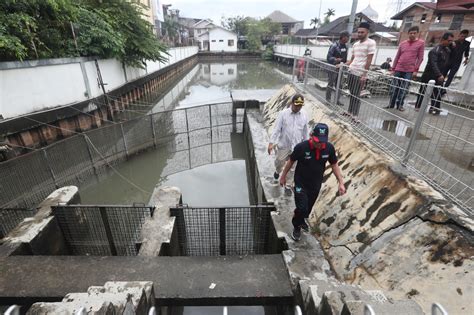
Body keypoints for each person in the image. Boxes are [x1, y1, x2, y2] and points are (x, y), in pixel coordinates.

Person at [279, 123, 346, 241]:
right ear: (311, 136)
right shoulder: (301, 148)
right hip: (301, 183)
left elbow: (334, 165)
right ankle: (297, 226)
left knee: (307, 209)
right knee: (302, 207)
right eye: (317, 141)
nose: (319, 144)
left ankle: (301, 218)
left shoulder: (329, 148)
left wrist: (341, 182)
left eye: (322, 142)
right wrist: (283, 176)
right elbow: (290, 161)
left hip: (315, 184)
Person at [268, 94, 309, 195]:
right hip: (284, 145)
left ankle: (288, 184)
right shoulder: (283, 114)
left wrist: (306, 146)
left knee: (293, 167)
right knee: (279, 162)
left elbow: (305, 132)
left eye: (300, 106)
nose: (298, 108)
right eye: (296, 105)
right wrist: (271, 143)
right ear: (292, 103)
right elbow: (277, 129)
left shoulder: (304, 115)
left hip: (296, 147)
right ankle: (277, 172)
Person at [386, 26, 425, 111]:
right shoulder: (403, 43)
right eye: (411, 33)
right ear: (408, 34)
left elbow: (420, 58)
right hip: (398, 68)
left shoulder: (421, 43)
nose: (412, 35)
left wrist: (415, 70)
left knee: (403, 89)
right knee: (394, 87)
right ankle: (391, 104)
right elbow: (397, 56)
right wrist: (393, 69)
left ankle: (400, 105)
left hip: (409, 70)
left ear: (417, 33)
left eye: (414, 33)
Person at [415, 32, 454, 115]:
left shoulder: (447, 50)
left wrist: (442, 74)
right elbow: (433, 64)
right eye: (449, 40)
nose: (450, 42)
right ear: (443, 40)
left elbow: (447, 62)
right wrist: (439, 74)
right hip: (429, 74)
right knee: (423, 91)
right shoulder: (434, 50)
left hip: (440, 75)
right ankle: (418, 106)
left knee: (438, 92)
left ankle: (435, 108)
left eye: (451, 41)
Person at [346, 22, 376, 120]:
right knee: (351, 93)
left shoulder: (371, 43)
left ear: (367, 32)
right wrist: (343, 65)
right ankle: (349, 112)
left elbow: (369, 60)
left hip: (360, 73)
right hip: (352, 71)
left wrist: (364, 74)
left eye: (362, 32)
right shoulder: (355, 44)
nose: (359, 34)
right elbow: (352, 59)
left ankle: (355, 115)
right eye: (358, 32)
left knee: (356, 94)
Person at [326, 31, 350, 104]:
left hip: (341, 69)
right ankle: (328, 100)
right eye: (347, 37)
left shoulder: (345, 47)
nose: (348, 39)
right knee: (331, 84)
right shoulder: (334, 46)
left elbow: (344, 58)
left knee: (339, 85)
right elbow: (328, 57)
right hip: (333, 68)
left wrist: (346, 63)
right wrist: (336, 59)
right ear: (343, 37)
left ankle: (337, 100)